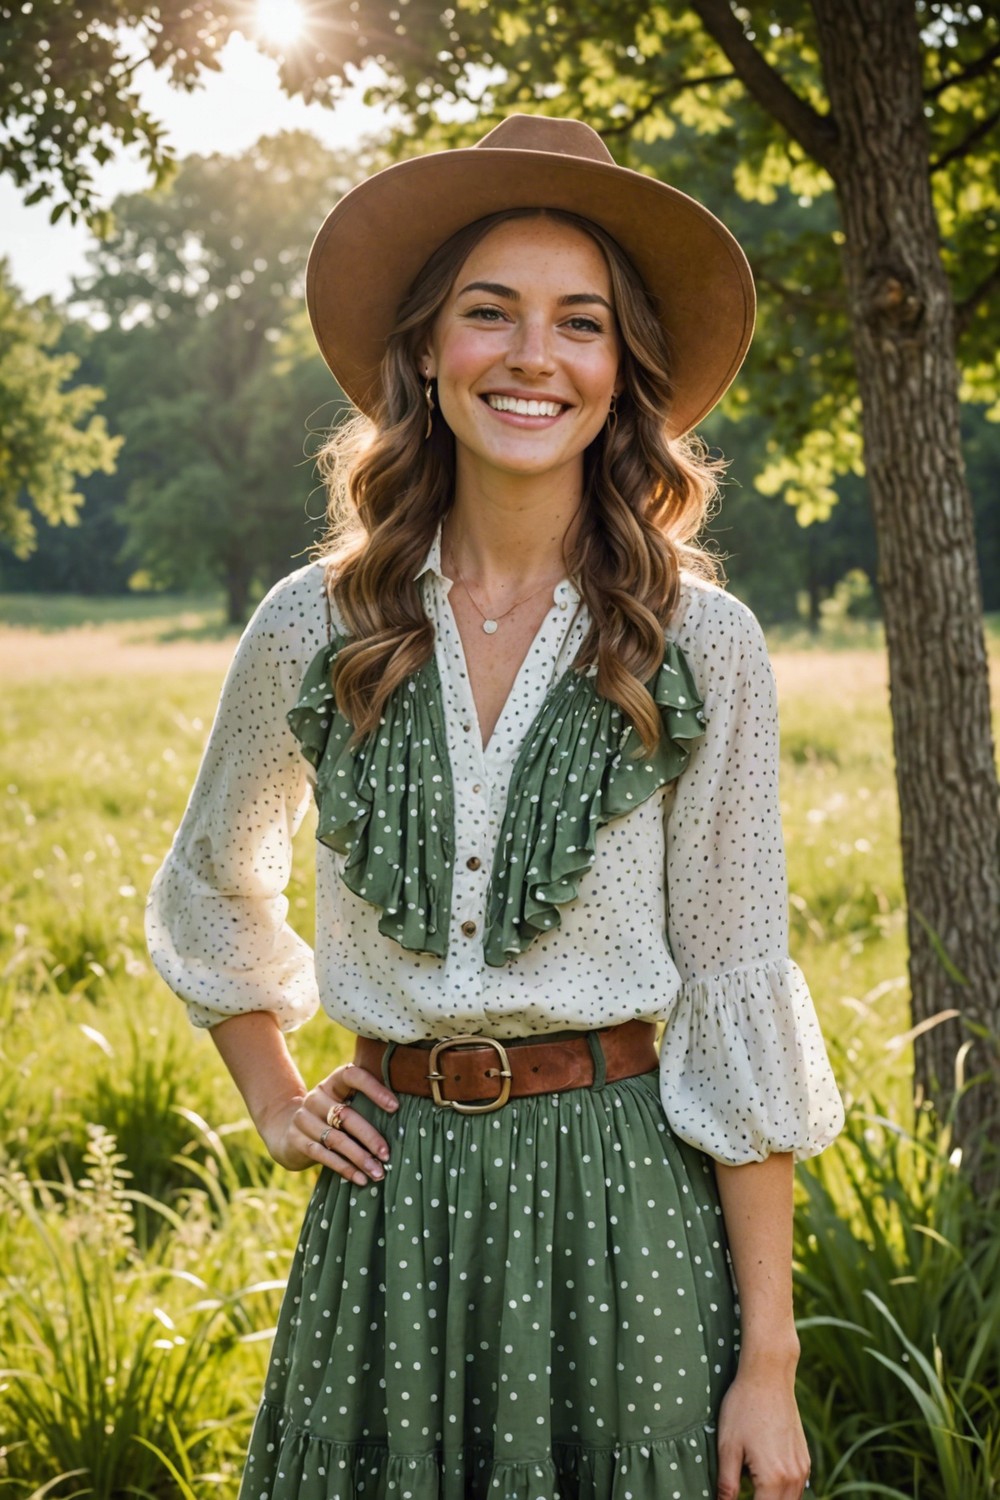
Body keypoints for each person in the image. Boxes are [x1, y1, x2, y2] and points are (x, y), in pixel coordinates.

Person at [146, 114, 844, 1500]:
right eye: (491, 313)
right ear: (424, 349)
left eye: (580, 323)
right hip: (387, 1210)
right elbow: (215, 876)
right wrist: (275, 1096)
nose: (535, 356)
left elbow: (734, 986)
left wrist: (768, 1363)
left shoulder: (702, 647)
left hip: (622, 1205)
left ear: (619, 373)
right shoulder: (313, 627)